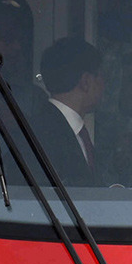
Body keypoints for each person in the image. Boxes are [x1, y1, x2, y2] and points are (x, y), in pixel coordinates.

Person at [28, 37, 106, 187]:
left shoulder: (45, 127)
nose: (103, 84)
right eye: (100, 76)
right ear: (86, 81)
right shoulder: (42, 135)